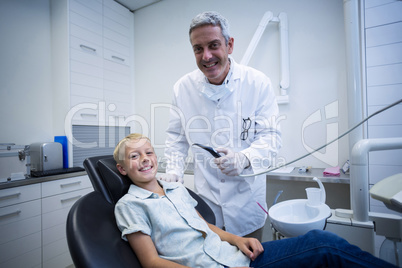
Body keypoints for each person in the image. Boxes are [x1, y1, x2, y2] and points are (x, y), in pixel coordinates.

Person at [113, 133, 396, 268]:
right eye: (134, 156)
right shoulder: (130, 205)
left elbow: (204, 227)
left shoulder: (175, 189)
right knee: (325, 249)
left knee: (321, 241)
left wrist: (237, 240)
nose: (145, 159)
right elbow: (150, 262)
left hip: (238, 257)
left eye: (148, 152)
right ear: (123, 169)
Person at [159, 11, 282, 240]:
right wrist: (174, 171)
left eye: (213, 45)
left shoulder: (257, 83)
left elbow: (271, 137)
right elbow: (176, 138)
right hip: (206, 208)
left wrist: (245, 158)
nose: (206, 56)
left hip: (247, 206)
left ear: (230, 44)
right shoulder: (182, 88)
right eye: (198, 48)